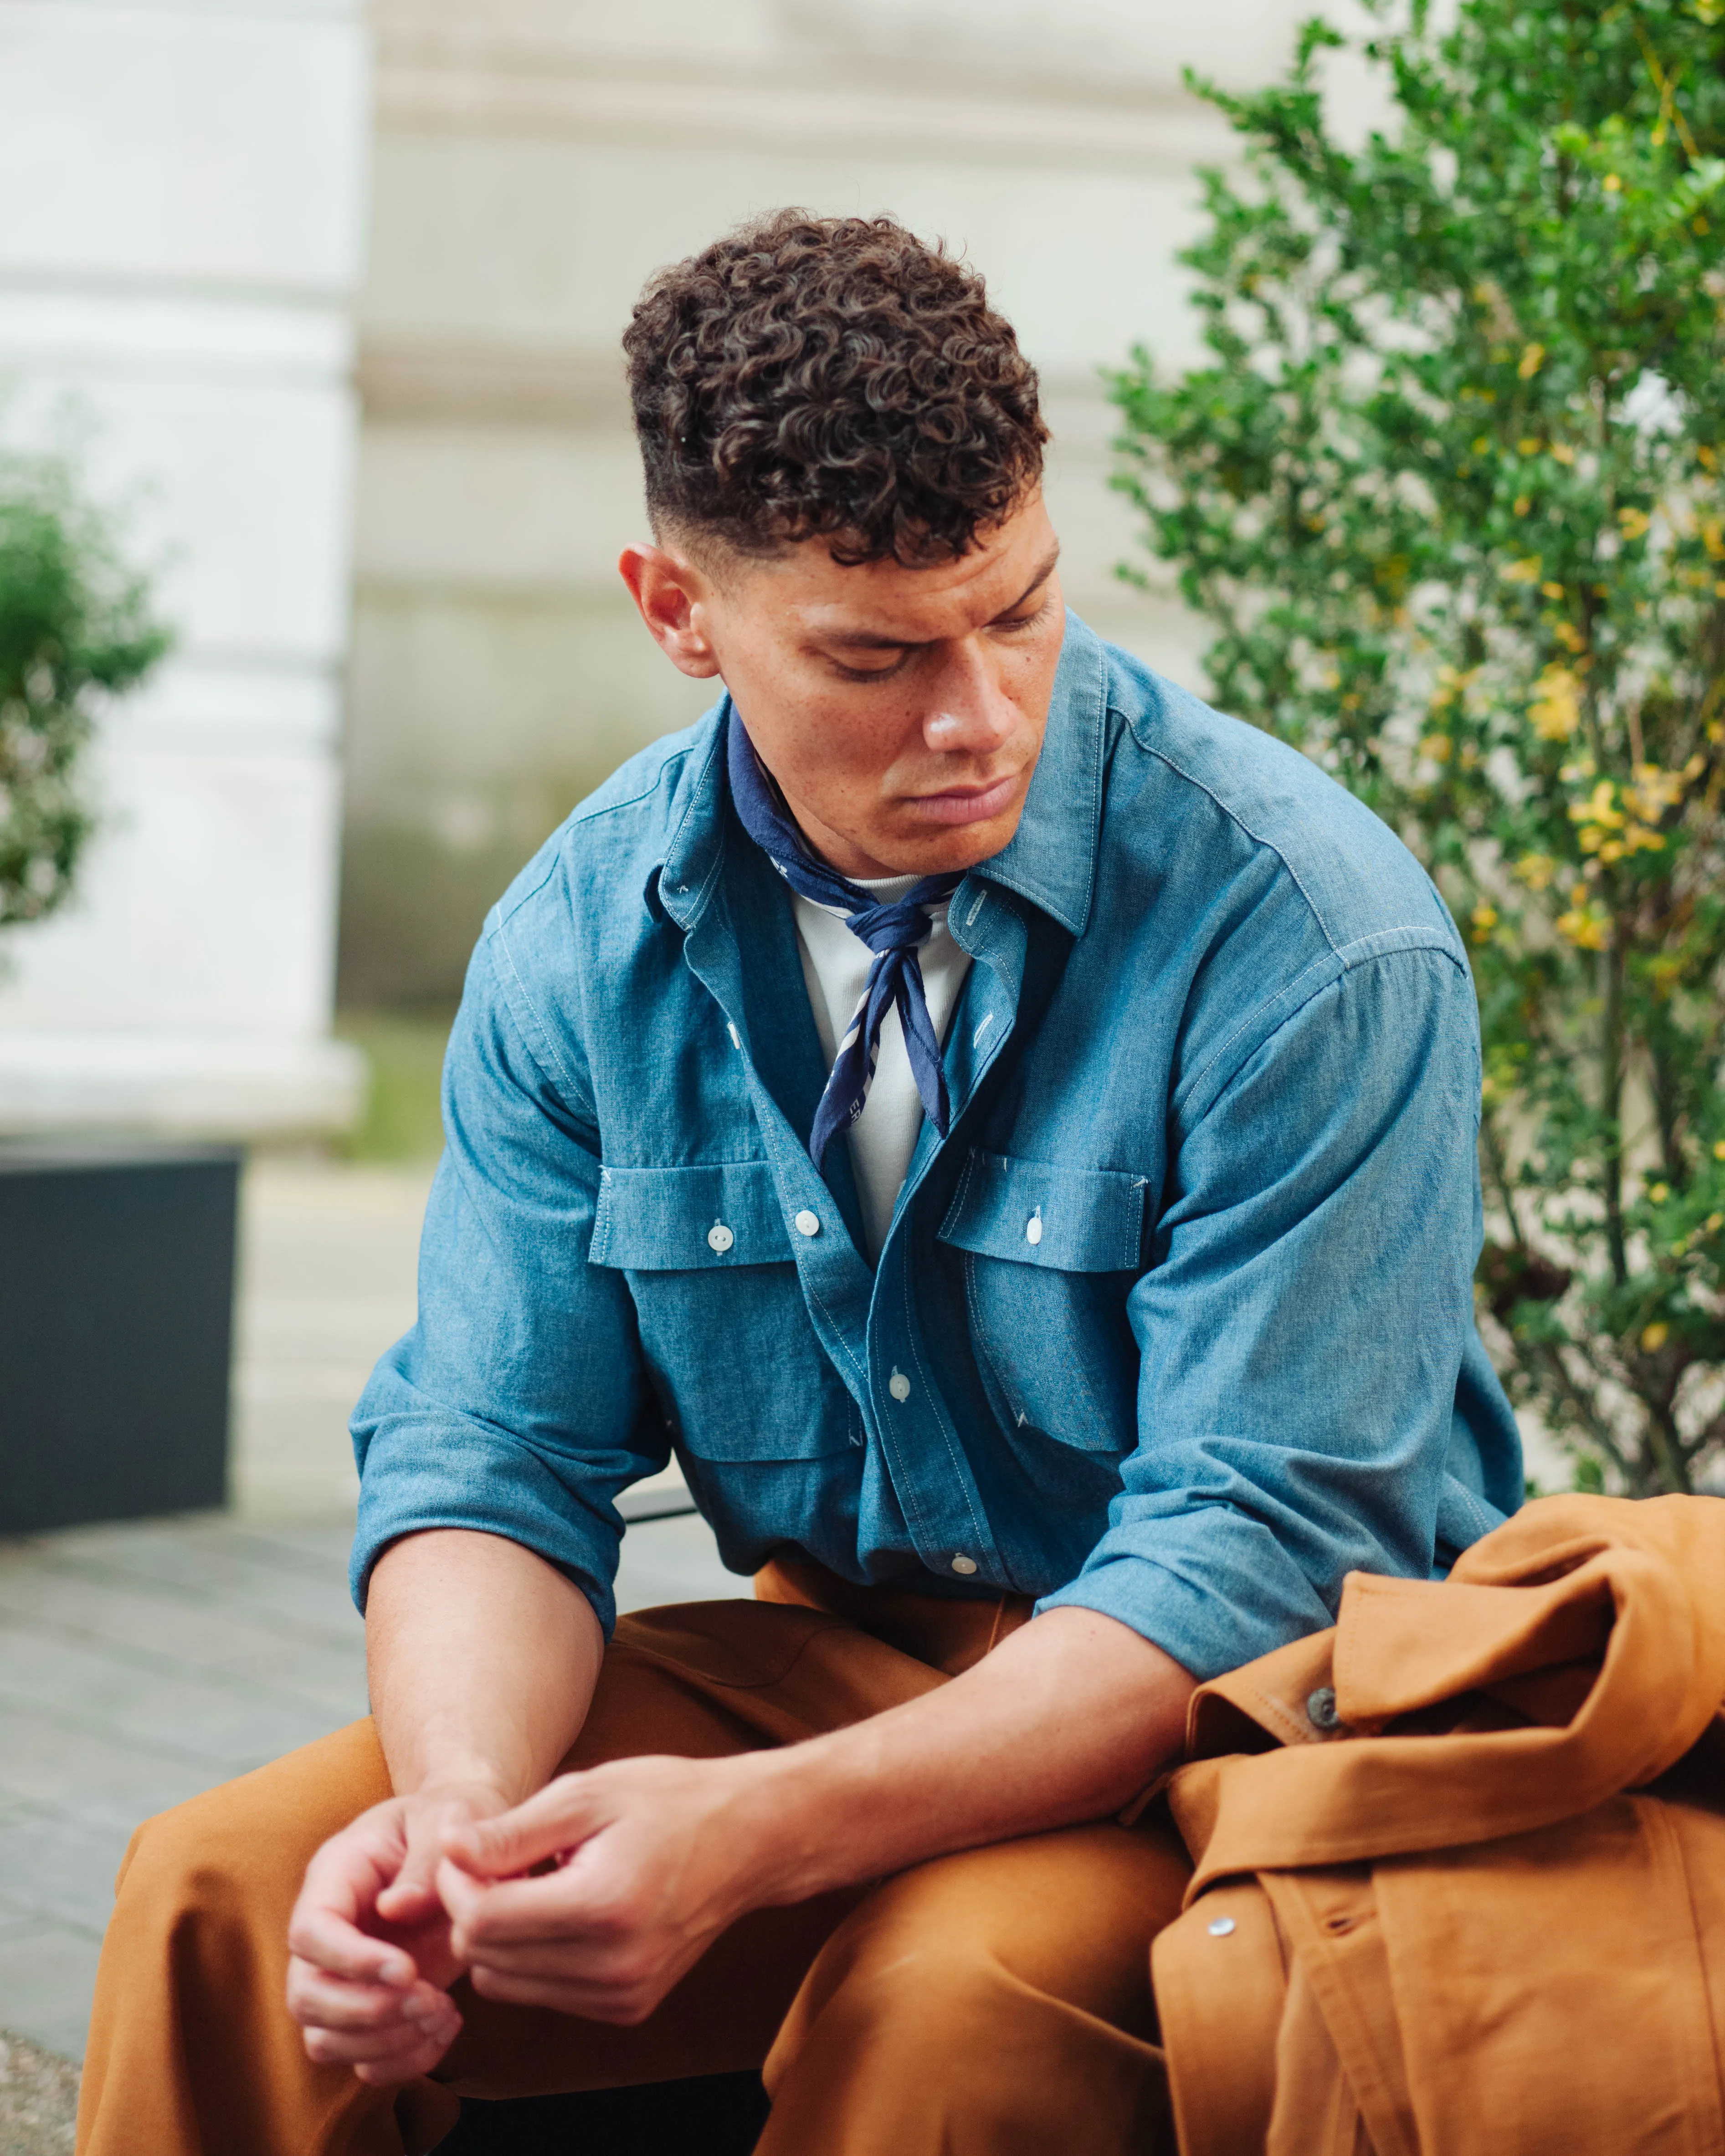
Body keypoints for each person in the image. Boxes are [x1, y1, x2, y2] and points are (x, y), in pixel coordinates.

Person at [75, 209, 1523, 2156]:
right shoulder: (584, 942)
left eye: (1017, 611)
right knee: (226, 1897)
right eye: (877, 654)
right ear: (678, 611)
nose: (977, 715)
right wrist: (455, 1823)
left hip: (1242, 1732)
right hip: (841, 1665)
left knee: (946, 2009)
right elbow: (491, 1455)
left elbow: (1246, 1564)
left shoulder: (1312, 942)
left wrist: (745, 1836)